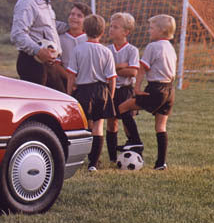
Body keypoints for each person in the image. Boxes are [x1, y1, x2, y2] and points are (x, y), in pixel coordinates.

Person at [118, 14, 177, 171]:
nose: (148, 31)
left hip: (155, 89)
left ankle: (135, 140)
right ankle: (161, 163)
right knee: (160, 126)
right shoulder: (171, 48)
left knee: (122, 108)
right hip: (170, 90)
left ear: (161, 30)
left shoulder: (153, 46)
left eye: (151, 28)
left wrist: (137, 89)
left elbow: (142, 69)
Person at [65, 14, 116, 171]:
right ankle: (93, 163)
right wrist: (111, 96)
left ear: (84, 30)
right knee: (98, 126)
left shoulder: (78, 49)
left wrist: (69, 93)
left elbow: (71, 75)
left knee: (83, 125)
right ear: (102, 32)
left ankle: (78, 158)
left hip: (83, 90)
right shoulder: (106, 51)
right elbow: (112, 78)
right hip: (101, 91)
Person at [10, 0, 70, 87]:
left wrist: (72, 26)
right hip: (33, 65)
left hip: (48, 65)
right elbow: (17, 35)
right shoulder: (27, 3)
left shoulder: (45, 2)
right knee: (38, 104)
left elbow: (49, 26)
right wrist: (38, 51)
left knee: (59, 100)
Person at [106, 12, 143, 162]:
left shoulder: (132, 50)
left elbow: (133, 71)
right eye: (111, 26)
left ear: (126, 32)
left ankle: (135, 146)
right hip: (111, 89)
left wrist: (114, 69)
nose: (111, 29)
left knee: (127, 119)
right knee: (111, 121)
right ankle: (113, 157)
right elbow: (105, 72)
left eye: (115, 27)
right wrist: (120, 66)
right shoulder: (107, 49)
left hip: (126, 90)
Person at [53, 1, 91, 93]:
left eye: (79, 16)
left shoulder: (89, 39)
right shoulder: (60, 38)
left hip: (86, 83)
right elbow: (56, 64)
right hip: (65, 81)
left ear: (86, 20)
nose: (74, 17)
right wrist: (71, 79)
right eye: (72, 14)